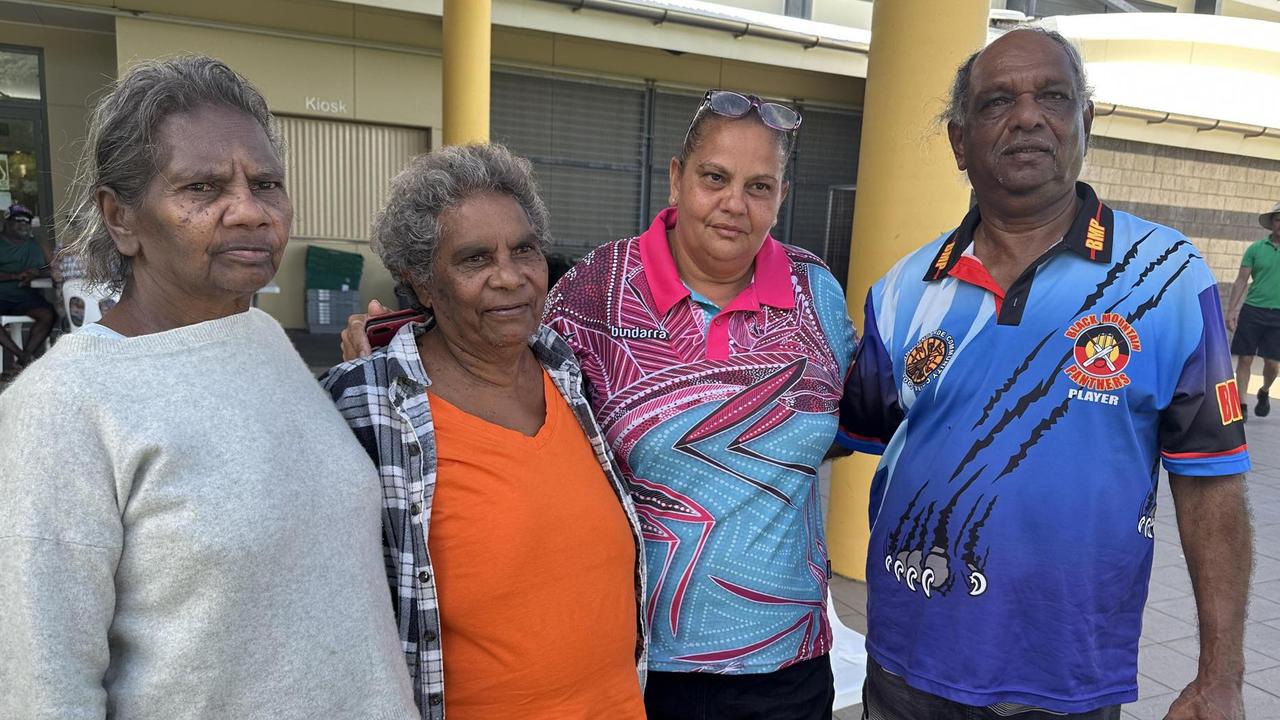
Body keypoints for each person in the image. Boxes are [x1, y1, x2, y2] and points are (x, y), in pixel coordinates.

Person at [342, 92, 855, 719]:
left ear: (781, 195)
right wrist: (389, 340)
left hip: (790, 661)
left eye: (759, 185)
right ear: (675, 177)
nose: (733, 204)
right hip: (652, 666)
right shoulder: (596, 291)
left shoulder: (816, 291)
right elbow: (492, 336)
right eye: (714, 177)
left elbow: (842, 422)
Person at [839, 28, 1252, 720]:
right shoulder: (903, 289)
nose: (1028, 116)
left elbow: (1211, 487)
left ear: (1085, 122)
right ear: (959, 140)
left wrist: (1220, 676)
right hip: (908, 667)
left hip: (1067, 680)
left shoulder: (1168, 278)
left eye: (1053, 96)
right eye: (998, 101)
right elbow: (838, 433)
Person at [0, 56, 417, 719]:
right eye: (202, 188)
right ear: (121, 217)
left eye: (267, 183)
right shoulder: (63, 404)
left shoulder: (264, 342)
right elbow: (41, 687)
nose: (249, 211)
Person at [321, 143, 648, 720]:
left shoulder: (570, 374)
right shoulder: (365, 407)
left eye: (525, 250)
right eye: (475, 259)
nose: (511, 277)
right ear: (420, 281)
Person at [1226, 200, 1280, 421]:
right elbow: (1241, 281)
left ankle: (1265, 390)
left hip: (1278, 315)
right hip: (1252, 310)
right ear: (1272, 223)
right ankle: (1242, 404)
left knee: (1273, 364)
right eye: (1278, 219)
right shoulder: (1256, 249)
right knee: (1245, 359)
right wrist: (1231, 310)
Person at [0, 202, 56, 369]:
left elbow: (51, 270)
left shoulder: (34, 245)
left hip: (24, 297)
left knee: (48, 315)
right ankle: (22, 356)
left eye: (27, 221)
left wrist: (36, 273)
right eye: (19, 220)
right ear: (7, 223)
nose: (24, 224)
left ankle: (22, 362)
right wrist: (13, 275)